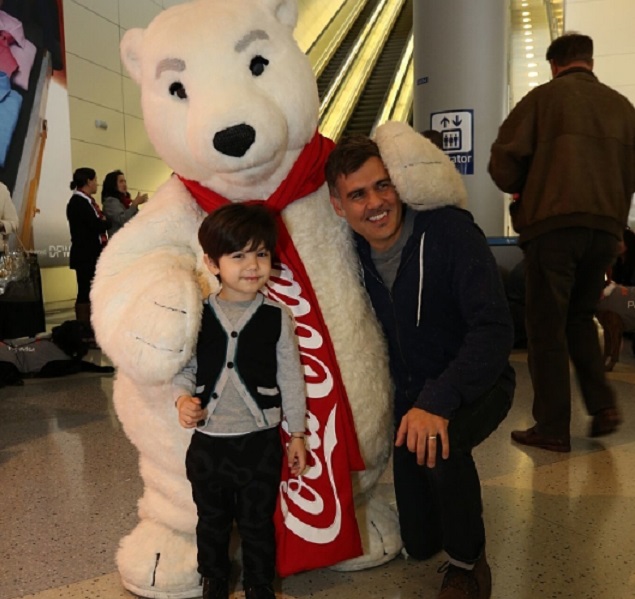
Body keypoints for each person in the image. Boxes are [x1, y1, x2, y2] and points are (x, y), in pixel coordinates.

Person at [326, 132, 515, 599]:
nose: (375, 203)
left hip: (477, 381)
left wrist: (439, 400)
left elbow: (493, 330)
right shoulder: (351, 256)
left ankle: (468, 564)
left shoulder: (449, 231)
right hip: (411, 395)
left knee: (440, 443)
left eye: (383, 186)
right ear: (337, 205)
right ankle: (435, 533)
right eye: (358, 194)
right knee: (419, 539)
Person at [489, 32, 635, 451]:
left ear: (555, 65)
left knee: (546, 327)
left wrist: (528, 185)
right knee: (580, 317)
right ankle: (603, 405)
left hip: (553, 228)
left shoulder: (543, 100)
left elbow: (503, 165)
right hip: (606, 232)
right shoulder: (623, 109)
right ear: (589, 61)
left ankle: (552, 426)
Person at [173, 203, 307, 599]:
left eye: (261, 253)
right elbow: (186, 368)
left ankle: (259, 583)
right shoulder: (198, 314)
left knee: (257, 521)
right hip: (209, 442)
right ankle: (213, 576)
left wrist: (296, 432)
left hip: (260, 442)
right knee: (211, 519)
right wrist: (182, 399)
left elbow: (291, 377)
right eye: (239, 255)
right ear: (213, 263)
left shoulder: (277, 316)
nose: (253, 265)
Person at [66, 167, 109, 329]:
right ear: (88, 181)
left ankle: (91, 326)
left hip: (90, 253)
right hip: (86, 254)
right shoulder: (78, 202)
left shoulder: (85, 201)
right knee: (85, 291)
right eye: (95, 180)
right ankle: (84, 327)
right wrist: (105, 222)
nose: (97, 183)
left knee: (90, 290)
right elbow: (95, 225)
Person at [101, 169, 148, 237]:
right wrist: (135, 204)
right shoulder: (110, 202)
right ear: (113, 185)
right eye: (121, 181)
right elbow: (122, 219)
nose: (124, 184)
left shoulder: (125, 201)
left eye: (125, 181)